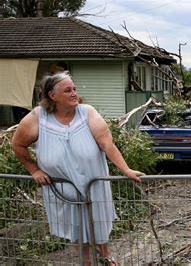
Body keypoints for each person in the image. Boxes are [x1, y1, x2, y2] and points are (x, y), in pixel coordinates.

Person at [12, 71, 144, 265]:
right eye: (68, 90)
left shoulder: (87, 112)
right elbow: (17, 145)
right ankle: (86, 262)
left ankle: (106, 257)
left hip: (94, 185)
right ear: (52, 96)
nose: (74, 93)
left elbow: (107, 144)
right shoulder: (37, 118)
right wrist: (34, 170)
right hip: (63, 191)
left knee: (99, 228)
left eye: (74, 89)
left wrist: (126, 170)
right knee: (77, 233)